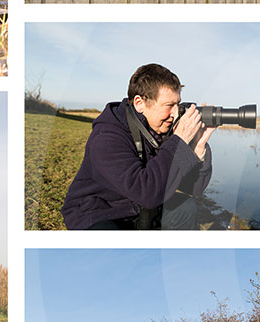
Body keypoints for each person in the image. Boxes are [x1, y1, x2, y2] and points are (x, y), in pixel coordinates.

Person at [60, 63, 215, 230]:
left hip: (139, 209)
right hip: (99, 211)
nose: (175, 113)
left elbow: (193, 188)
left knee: (185, 208)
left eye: (178, 104)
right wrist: (179, 141)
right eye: (169, 105)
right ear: (140, 103)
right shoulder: (106, 137)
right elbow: (146, 192)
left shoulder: (164, 130)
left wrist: (197, 150)